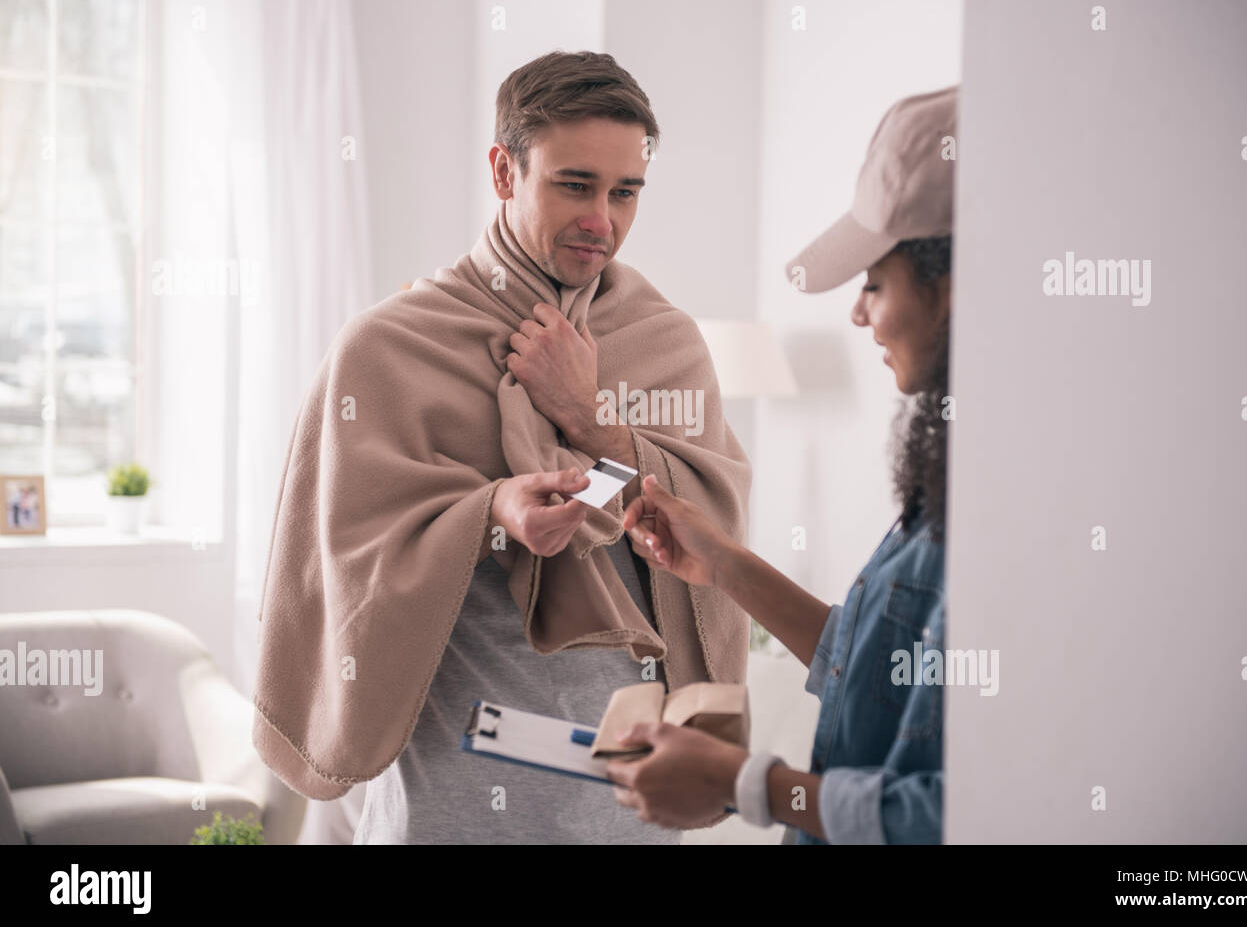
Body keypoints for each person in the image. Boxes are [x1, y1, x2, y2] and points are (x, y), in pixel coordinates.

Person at [250, 49, 752, 845]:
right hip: (453, 778)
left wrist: (590, 422)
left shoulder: (666, 344)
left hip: (626, 787)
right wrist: (490, 513)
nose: (604, 220)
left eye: (626, 192)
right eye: (575, 184)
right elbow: (335, 556)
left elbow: (712, 522)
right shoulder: (386, 350)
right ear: (503, 170)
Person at [606, 86, 957, 844]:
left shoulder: (1019, 510)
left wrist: (747, 785)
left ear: (954, 289)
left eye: (874, 282)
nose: (860, 314)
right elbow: (871, 669)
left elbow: (952, 815)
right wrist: (724, 562)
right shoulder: (951, 471)